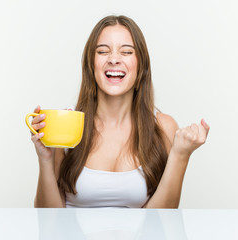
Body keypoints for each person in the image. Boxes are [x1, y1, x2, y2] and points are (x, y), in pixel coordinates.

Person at [30, 15, 210, 208]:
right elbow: (49, 221)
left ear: (141, 65)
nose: (114, 59)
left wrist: (180, 156)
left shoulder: (163, 127)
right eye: (102, 51)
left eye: (126, 52)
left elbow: (160, 221)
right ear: (91, 65)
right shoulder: (67, 124)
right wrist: (46, 160)